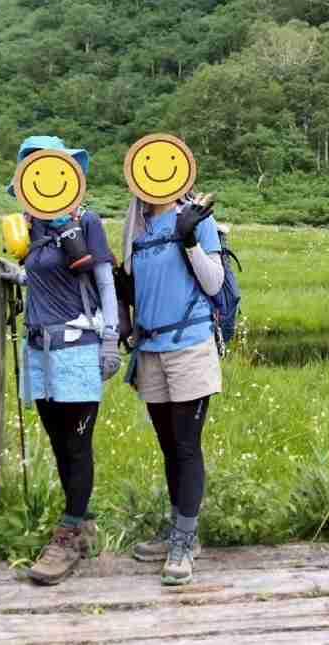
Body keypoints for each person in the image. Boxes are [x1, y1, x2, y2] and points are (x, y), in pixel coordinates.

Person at [5, 136, 121, 585]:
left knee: (77, 443)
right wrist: (11, 275)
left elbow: (105, 282)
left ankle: (69, 534)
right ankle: (82, 523)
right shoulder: (29, 226)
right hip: (39, 351)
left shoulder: (85, 222)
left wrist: (110, 338)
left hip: (78, 348)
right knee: (58, 443)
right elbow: (42, 277)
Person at [122, 194, 223, 585]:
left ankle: (185, 542)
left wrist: (189, 239)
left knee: (186, 445)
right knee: (169, 446)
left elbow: (214, 283)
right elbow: (136, 287)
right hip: (151, 350)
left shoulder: (195, 218)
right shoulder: (137, 225)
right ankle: (179, 531)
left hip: (189, 346)